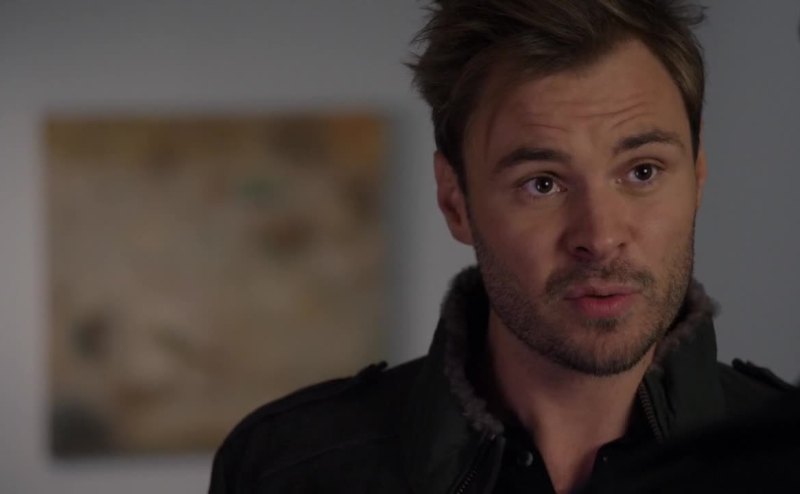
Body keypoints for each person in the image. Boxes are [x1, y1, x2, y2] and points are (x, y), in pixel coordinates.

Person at [209, 1, 794, 492]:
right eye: (541, 184)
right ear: (455, 202)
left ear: (697, 177)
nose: (599, 237)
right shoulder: (288, 469)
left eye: (642, 171)